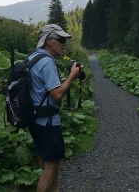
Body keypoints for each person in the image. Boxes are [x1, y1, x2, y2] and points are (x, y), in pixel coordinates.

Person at [28, 24, 80, 192]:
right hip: (48, 121)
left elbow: (41, 87)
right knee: (51, 166)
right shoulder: (47, 62)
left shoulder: (33, 57)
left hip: (35, 119)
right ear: (49, 41)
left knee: (53, 162)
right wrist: (72, 76)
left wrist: (63, 79)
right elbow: (57, 94)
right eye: (61, 40)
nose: (64, 43)